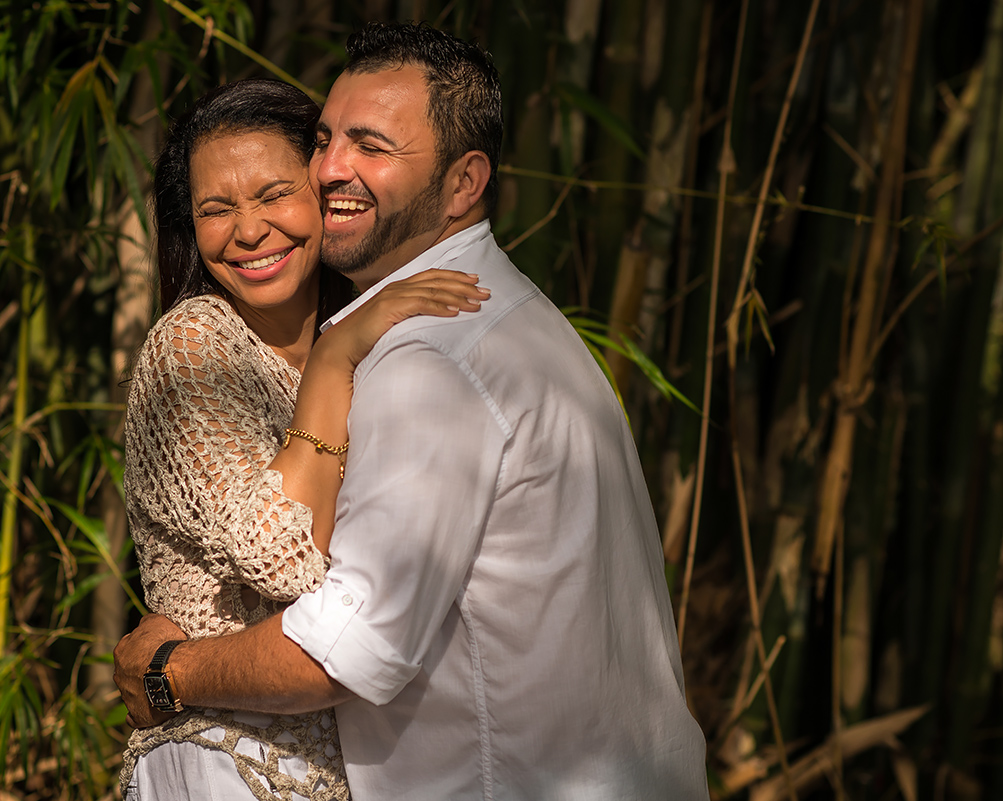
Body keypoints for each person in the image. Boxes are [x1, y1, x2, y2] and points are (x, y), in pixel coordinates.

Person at [116, 22, 709, 799]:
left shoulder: (427, 360)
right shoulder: (511, 321)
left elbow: (346, 647)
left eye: (370, 146)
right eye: (326, 141)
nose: (331, 168)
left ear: (464, 183)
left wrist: (168, 670)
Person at [119, 77, 489, 800]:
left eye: (273, 194)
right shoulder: (194, 346)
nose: (248, 230)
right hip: (218, 757)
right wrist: (333, 358)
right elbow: (284, 558)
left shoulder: (372, 340)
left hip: (335, 772)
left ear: (324, 196)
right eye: (215, 209)